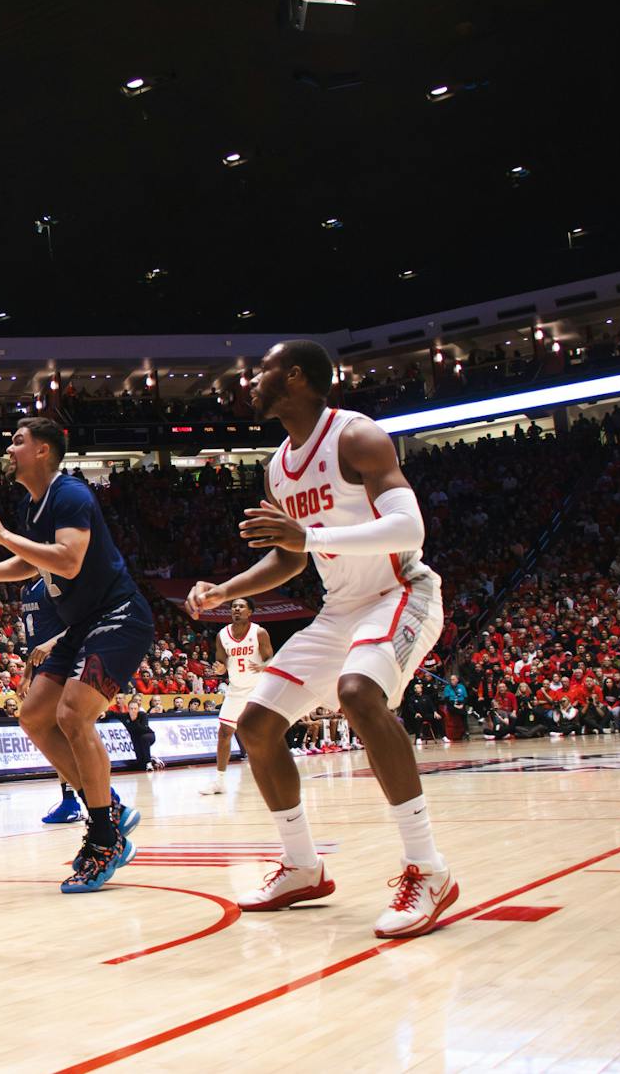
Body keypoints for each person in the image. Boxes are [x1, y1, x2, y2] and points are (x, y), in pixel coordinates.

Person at [186, 339, 456, 938]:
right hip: (340, 610)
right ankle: (303, 867)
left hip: (400, 591)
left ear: (299, 379)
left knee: (359, 693)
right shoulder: (277, 467)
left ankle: (428, 868)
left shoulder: (357, 436)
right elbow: (289, 559)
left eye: (264, 371)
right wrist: (224, 588)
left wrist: (306, 536)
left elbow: (410, 527)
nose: (252, 380)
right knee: (256, 725)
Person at [0, 418, 150, 892]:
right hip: (81, 624)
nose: (9, 447)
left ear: (43, 451)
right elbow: (32, 560)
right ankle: (110, 807)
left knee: (74, 714)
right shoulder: (32, 503)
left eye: (18, 441)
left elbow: (67, 559)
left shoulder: (71, 493)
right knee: (35, 716)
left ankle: (105, 837)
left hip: (119, 616)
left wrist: (0, 537)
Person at [21, 577, 83, 825]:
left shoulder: (52, 585)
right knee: (51, 731)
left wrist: (51, 643)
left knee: (64, 730)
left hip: (62, 661)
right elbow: (31, 637)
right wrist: (26, 674)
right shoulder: (25, 589)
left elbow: (80, 622)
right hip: (40, 666)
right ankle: (72, 799)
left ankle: (89, 797)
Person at [203, 597, 272, 795]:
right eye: (234, 606)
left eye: (241, 606)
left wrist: (263, 665)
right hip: (235, 689)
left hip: (257, 688)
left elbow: (271, 658)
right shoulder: (222, 635)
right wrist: (219, 667)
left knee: (260, 733)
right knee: (224, 732)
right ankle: (220, 781)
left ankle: (269, 774)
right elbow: (221, 662)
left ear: (250, 612)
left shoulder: (259, 632)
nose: (237, 609)